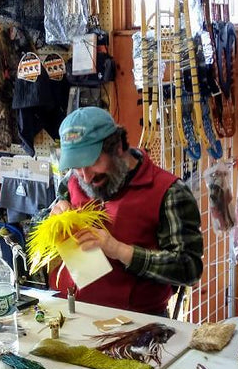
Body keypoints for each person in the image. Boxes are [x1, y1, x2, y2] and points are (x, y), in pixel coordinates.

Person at [46, 106, 203, 315]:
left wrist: (119, 250)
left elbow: (189, 268)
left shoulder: (170, 193)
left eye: (92, 161)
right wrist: (55, 214)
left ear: (118, 146)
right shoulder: (73, 180)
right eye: (76, 166)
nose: (85, 176)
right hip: (70, 313)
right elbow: (56, 205)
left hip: (135, 326)